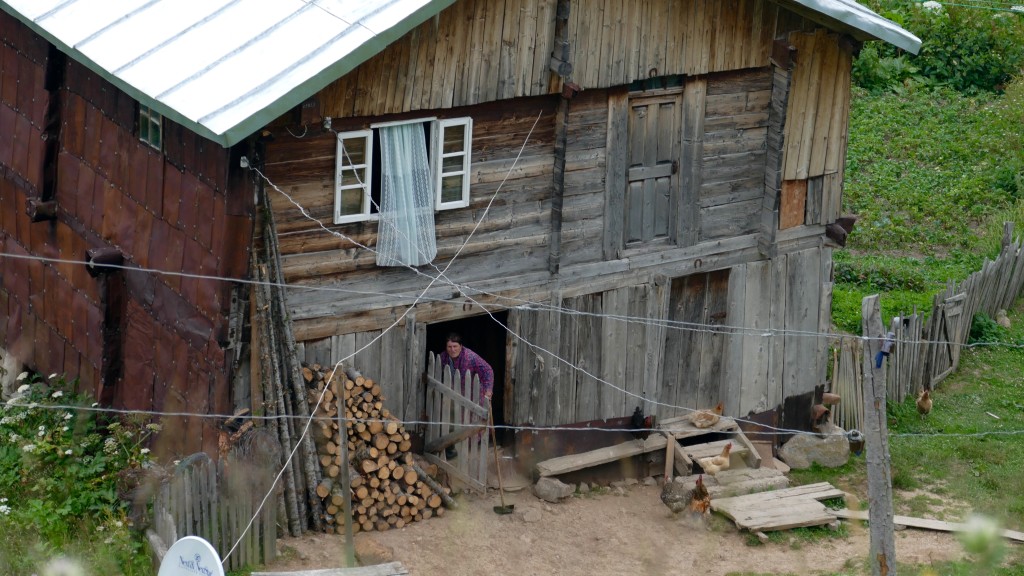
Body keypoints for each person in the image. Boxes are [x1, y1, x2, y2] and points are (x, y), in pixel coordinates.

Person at [440, 332, 494, 458]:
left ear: (461, 346)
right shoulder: (443, 358)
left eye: (455, 346)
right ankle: (452, 450)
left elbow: (487, 370)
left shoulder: (470, 357)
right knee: (452, 421)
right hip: (454, 396)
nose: (452, 350)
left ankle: (473, 450)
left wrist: (488, 389)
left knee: (473, 423)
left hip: (472, 396)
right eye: (449, 347)